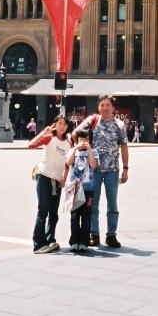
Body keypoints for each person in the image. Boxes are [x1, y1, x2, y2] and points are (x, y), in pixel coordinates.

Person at [74, 94, 128, 248]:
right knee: (93, 204)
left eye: (108, 105)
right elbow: (76, 134)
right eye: (102, 105)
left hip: (112, 170)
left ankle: (111, 235)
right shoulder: (92, 121)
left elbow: (124, 146)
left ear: (113, 108)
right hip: (94, 170)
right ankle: (94, 234)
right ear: (98, 107)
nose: (105, 108)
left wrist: (125, 168)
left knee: (113, 205)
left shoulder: (120, 125)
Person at [29, 115, 72, 254]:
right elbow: (31, 145)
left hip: (57, 181)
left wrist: (64, 179)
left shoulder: (68, 143)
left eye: (64, 124)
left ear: (67, 127)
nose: (61, 126)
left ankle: (49, 238)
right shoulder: (49, 138)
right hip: (44, 177)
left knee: (54, 213)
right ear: (55, 124)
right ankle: (38, 243)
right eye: (59, 123)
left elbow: (67, 164)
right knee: (43, 211)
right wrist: (44, 132)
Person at [63, 127, 99, 252]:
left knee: (86, 216)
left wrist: (89, 150)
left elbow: (94, 166)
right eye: (81, 139)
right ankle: (74, 241)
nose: (84, 141)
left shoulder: (93, 151)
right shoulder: (73, 150)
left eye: (87, 139)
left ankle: (84, 241)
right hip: (74, 188)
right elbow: (68, 162)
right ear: (77, 140)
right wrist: (75, 149)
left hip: (88, 188)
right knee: (74, 216)